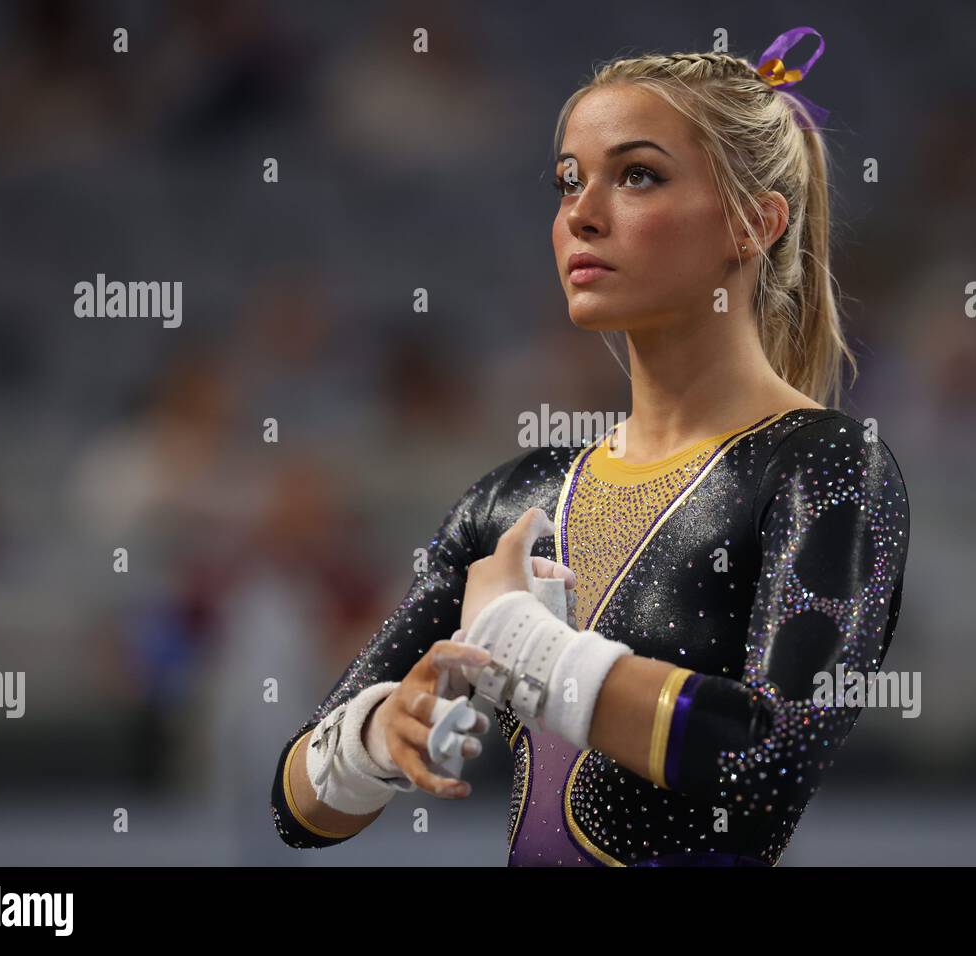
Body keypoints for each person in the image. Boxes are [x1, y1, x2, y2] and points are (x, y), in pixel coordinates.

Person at [270, 26, 910, 867]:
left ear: (753, 223)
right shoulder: (512, 503)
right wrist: (380, 738)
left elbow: (767, 758)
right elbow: (297, 809)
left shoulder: (823, 466)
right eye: (569, 180)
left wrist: (526, 648)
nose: (581, 211)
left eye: (637, 175)